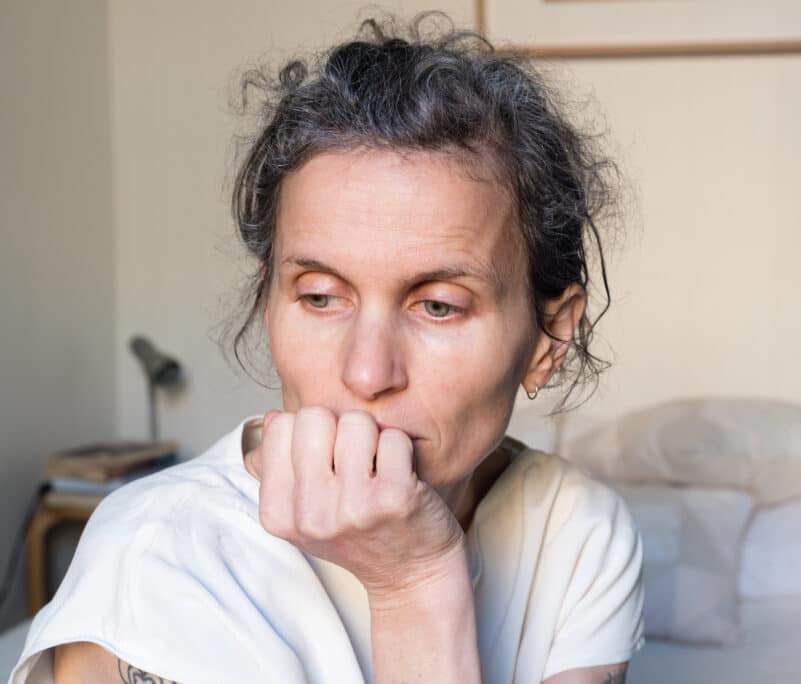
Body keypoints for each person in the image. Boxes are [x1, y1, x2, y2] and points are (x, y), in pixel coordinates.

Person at [9, 13, 644, 684]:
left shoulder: (575, 536)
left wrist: (416, 584)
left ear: (549, 339)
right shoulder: (154, 560)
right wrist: (413, 583)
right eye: (320, 297)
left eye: (437, 305)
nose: (367, 373)